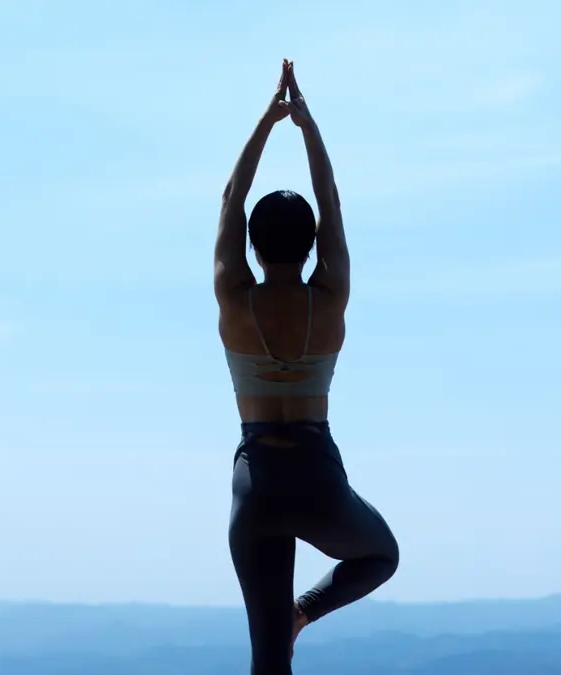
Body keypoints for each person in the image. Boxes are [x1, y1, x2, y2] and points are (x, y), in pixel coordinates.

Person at [214, 59, 400, 675]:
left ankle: (284, 628)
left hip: (257, 482)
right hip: (316, 476)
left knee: (267, 662)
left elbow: (232, 198)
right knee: (380, 555)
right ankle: (304, 612)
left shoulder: (234, 298)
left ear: (253, 244)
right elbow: (331, 202)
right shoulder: (330, 296)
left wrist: (268, 121)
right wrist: (307, 125)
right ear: (312, 242)